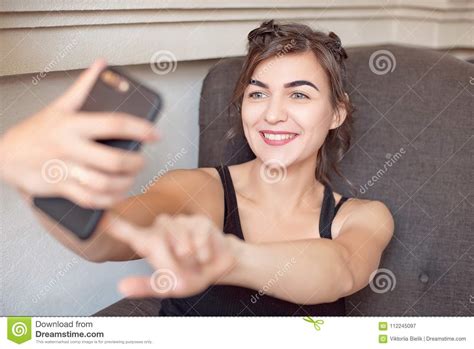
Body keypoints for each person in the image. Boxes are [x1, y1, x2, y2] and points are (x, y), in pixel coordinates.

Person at [3, 20, 394, 316]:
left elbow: (340, 270)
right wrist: (39, 182)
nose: (273, 114)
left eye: (298, 94)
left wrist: (231, 259)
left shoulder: (363, 217)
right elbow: (104, 238)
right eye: (258, 93)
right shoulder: (199, 191)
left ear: (336, 113)